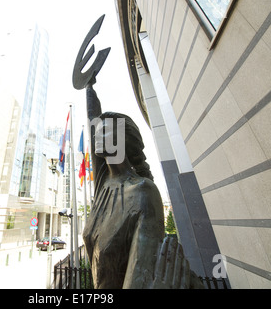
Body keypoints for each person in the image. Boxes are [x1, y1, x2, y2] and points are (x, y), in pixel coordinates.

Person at [82, 83, 203, 289]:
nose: (96, 135)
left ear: (121, 139)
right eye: (97, 131)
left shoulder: (143, 192)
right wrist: (89, 86)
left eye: (104, 131)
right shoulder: (104, 183)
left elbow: (139, 277)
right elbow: (93, 118)